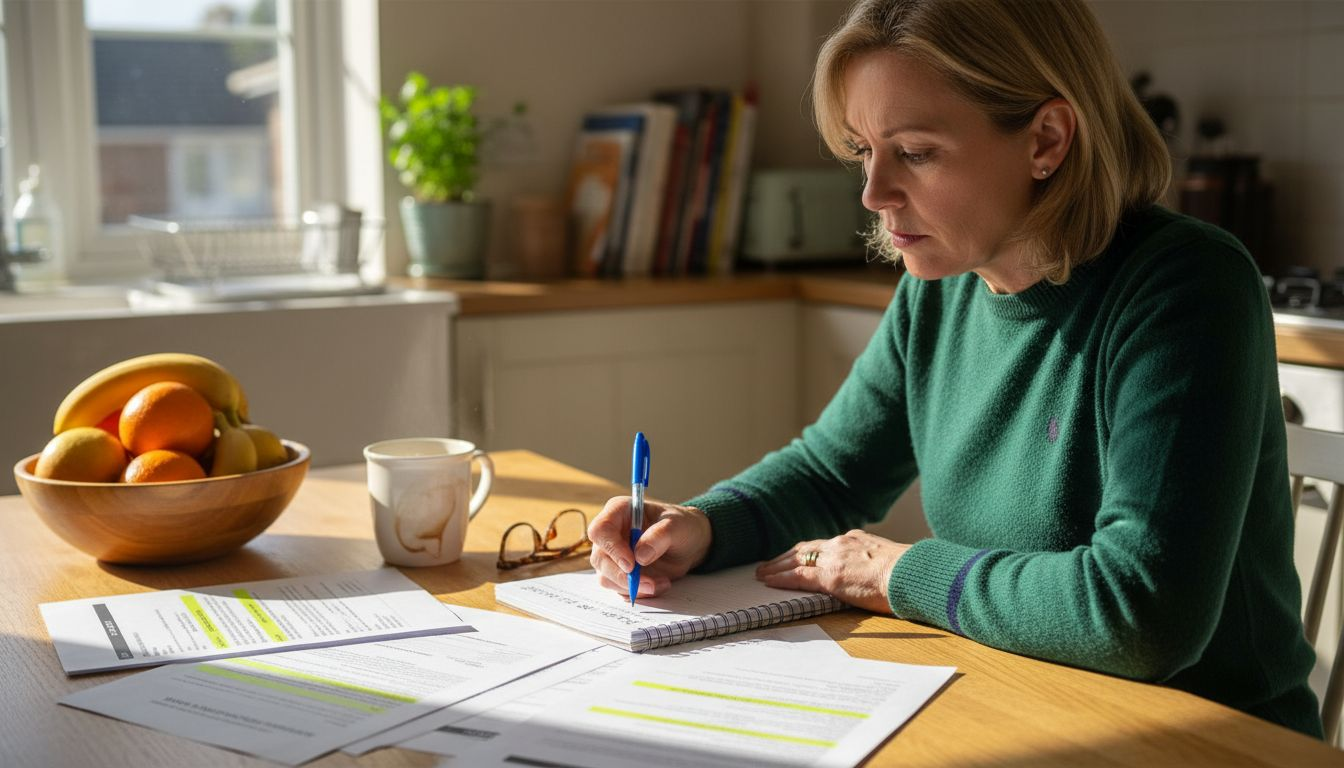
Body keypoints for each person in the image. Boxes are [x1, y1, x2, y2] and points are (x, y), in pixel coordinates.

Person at [586, 0, 1322, 739]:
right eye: (862, 149)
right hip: (1023, 706)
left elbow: (1139, 613)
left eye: (914, 151)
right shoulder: (940, 289)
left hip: (1212, 742)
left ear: (1046, 140)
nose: (873, 193)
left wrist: (893, 573)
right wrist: (702, 525)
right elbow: (831, 473)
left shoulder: (1186, 287)